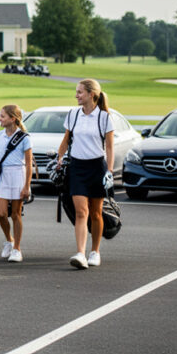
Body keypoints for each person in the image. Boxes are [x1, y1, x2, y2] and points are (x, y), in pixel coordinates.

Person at [56, 79, 115, 269]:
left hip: (97, 167)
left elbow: (110, 147)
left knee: (96, 213)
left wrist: (110, 171)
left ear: (91, 94)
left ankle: (95, 251)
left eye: (80, 92)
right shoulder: (73, 115)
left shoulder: (104, 117)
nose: (76, 95)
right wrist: (59, 158)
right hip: (77, 167)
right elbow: (66, 140)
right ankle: (80, 253)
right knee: (81, 212)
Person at [0, 104, 33, 263]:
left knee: (16, 214)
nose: (0, 119)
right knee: (1, 213)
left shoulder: (24, 138)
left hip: (18, 175)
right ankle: (9, 240)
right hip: (2, 176)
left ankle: (17, 249)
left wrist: (27, 186)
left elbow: (28, 164)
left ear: (12, 118)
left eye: (3, 116)